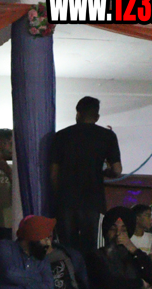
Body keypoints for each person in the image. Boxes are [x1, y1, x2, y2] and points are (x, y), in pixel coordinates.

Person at [50, 96, 122, 265]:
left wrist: (56, 198)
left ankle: (70, 277)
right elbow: (117, 170)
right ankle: (88, 279)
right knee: (91, 248)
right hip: (93, 201)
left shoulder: (61, 135)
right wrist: (105, 171)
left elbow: (53, 173)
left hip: (66, 201)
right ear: (97, 117)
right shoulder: (107, 136)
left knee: (66, 247)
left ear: (78, 113)